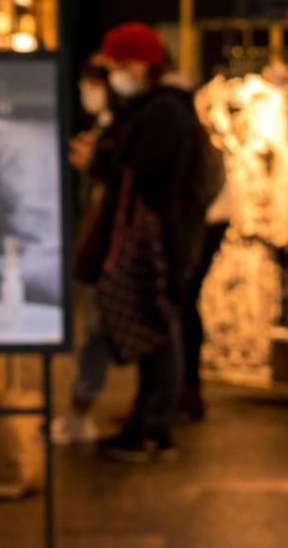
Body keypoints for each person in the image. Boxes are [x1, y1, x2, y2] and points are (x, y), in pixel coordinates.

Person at [87, 24, 208, 462]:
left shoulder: (163, 113)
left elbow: (144, 175)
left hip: (155, 234)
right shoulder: (159, 108)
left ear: (140, 65)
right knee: (157, 322)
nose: (115, 76)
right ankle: (150, 417)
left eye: (118, 66)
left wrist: (108, 160)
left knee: (159, 324)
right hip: (159, 231)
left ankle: (155, 423)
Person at [54, 59, 117, 444]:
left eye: (91, 84)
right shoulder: (110, 123)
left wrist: (95, 163)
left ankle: (81, 407)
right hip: (105, 241)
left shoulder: (122, 124)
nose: (86, 92)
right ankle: (82, 407)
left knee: (98, 328)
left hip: (110, 244)